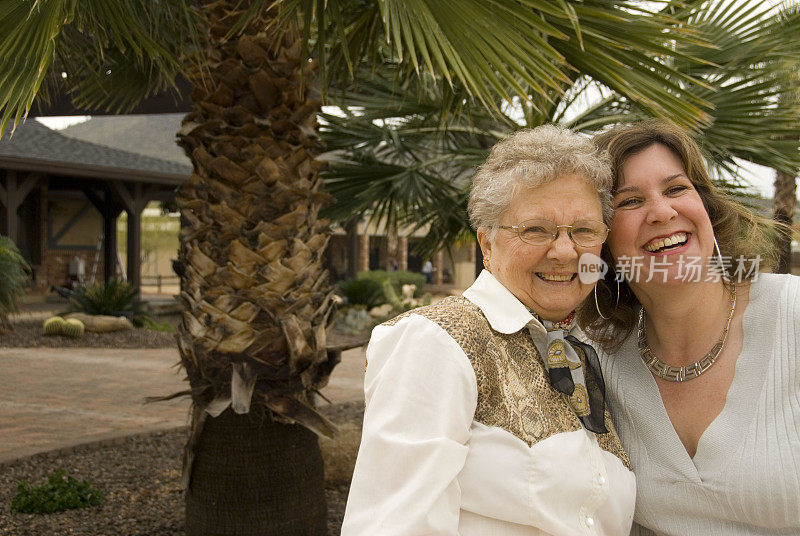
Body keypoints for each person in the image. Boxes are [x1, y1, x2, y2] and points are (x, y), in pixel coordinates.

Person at [342, 125, 635, 535]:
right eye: (535, 230)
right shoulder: (437, 342)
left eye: (584, 231)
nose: (565, 251)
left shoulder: (586, 350)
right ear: (487, 243)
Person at [583, 119, 800, 535]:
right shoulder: (596, 360)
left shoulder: (791, 315)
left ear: (707, 207)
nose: (663, 212)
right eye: (629, 201)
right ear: (601, 238)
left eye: (676, 189)